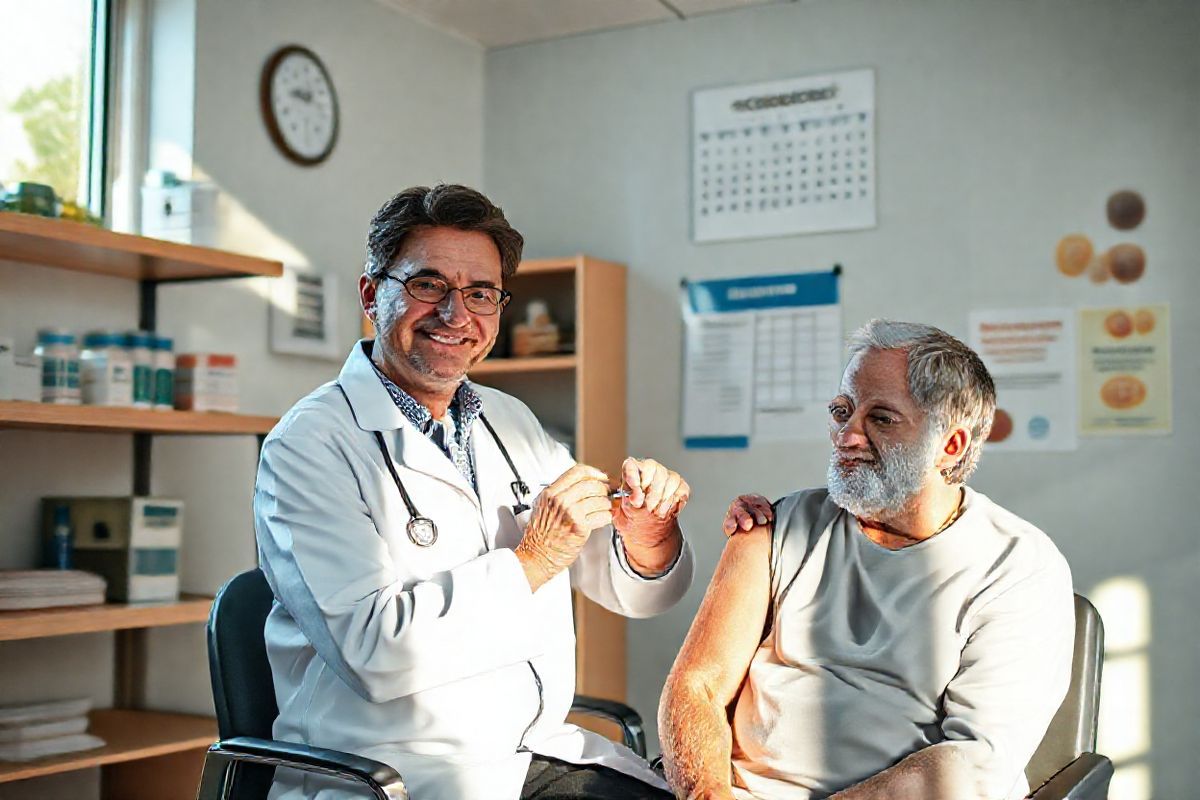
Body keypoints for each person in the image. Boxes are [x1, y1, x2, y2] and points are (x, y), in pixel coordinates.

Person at [255, 184, 691, 800]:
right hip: (389, 774)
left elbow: (622, 585)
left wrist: (649, 537)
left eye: (480, 294)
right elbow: (373, 654)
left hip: (527, 755)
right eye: (428, 285)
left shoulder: (510, 420)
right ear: (371, 294)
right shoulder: (309, 446)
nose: (456, 316)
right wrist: (534, 558)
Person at [659, 319, 1074, 800]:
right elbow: (696, 686)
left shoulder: (1018, 567)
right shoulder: (777, 526)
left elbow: (973, 764)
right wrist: (707, 795)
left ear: (950, 445)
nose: (846, 436)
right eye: (842, 411)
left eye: (881, 418)